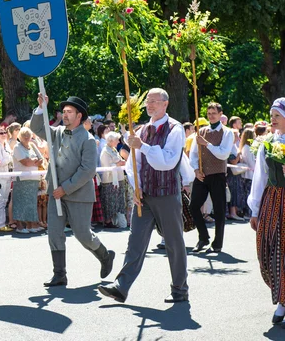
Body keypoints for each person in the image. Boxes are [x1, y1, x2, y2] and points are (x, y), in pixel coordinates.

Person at [98, 88, 191, 303]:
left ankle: (179, 288)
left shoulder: (175, 129)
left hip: (167, 193)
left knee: (174, 243)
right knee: (135, 240)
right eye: (148, 101)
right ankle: (121, 286)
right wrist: (135, 187)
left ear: (165, 104)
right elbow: (134, 163)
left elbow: (167, 161)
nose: (149, 105)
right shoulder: (141, 131)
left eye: (154, 101)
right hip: (145, 194)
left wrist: (144, 147)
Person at [31, 95, 115, 287]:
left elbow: (87, 170)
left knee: (82, 234)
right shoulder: (58, 132)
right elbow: (36, 128)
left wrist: (65, 188)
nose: (65, 115)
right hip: (55, 192)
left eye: (69, 112)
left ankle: (104, 255)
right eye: (64, 111)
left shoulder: (88, 139)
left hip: (78, 194)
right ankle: (59, 274)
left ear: (79, 116)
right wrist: (41, 108)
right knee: (54, 233)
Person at [248, 97, 285, 325]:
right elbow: (259, 177)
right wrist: (254, 209)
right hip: (273, 199)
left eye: (277, 115)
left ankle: (283, 302)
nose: (273, 119)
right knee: (268, 248)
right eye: (272, 115)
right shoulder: (268, 142)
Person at [189, 102, 234, 253]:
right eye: (209, 114)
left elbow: (223, 154)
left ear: (220, 114)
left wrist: (206, 144)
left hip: (218, 175)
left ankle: (217, 243)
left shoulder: (227, 132)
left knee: (219, 210)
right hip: (202, 175)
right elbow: (194, 154)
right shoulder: (201, 131)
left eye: (214, 113)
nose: (211, 116)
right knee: (193, 206)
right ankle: (203, 237)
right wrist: (196, 169)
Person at [12, 127, 44, 233]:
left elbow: (41, 160)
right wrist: (33, 161)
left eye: (28, 135)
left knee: (31, 203)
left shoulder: (32, 145)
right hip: (21, 179)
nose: (26, 137)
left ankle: (31, 225)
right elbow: (25, 162)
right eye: (24, 135)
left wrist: (32, 161)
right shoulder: (17, 147)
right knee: (20, 202)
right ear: (20, 137)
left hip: (33, 178)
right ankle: (20, 227)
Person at [99, 131, 127, 228]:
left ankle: (117, 221)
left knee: (118, 201)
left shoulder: (113, 149)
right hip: (110, 180)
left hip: (118, 179)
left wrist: (120, 163)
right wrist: (118, 163)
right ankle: (108, 220)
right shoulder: (105, 151)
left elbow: (120, 161)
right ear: (111, 141)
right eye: (116, 140)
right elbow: (106, 166)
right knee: (109, 201)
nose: (118, 141)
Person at [238, 128, 256, 218]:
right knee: (248, 194)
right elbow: (251, 162)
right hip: (249, 174)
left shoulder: (246, 147)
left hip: (249, 174)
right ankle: (247, 213)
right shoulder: (247, 148)